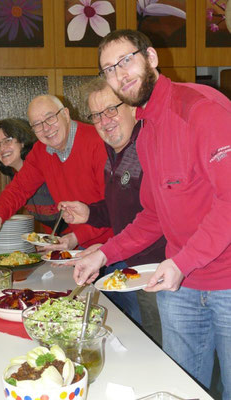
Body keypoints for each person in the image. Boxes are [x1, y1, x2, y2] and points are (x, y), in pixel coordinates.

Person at [72, 29, 231, 399]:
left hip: (226, 284)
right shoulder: (145, 134)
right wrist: (103, 253)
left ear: (152, 58)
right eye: (109, 69)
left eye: (126, 60)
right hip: (181, 289)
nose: (119, 75)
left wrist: (181, 261)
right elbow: (152, 216)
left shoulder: (201, 109)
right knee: (178, 390)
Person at [59, 78, 165, 341]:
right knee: (143, 340)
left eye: (111, 110)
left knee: (162, 348)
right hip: (134, 267)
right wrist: (89, 213)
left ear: (132, 107)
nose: (104, 121)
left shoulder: (149, 147)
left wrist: (106, 251)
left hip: (161, 271)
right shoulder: (114, 152)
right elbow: (120, 208)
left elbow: (154, 216)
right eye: (96, 115)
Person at [0, 94, 113, 250]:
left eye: (50, 118)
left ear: (66, 114)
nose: (45, 128)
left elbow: (113, 206)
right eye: (37, 124)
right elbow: (19, 188)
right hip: (80, 243)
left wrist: (76, 237)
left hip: (113, 241)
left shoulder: (97, 142)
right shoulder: (41, 151)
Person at [0, 117, 68, 235]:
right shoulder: (15, 177)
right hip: (59, 241)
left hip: (82, 238)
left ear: (22, 142)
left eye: (7, 141)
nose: (2, 148)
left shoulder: (45, 166)